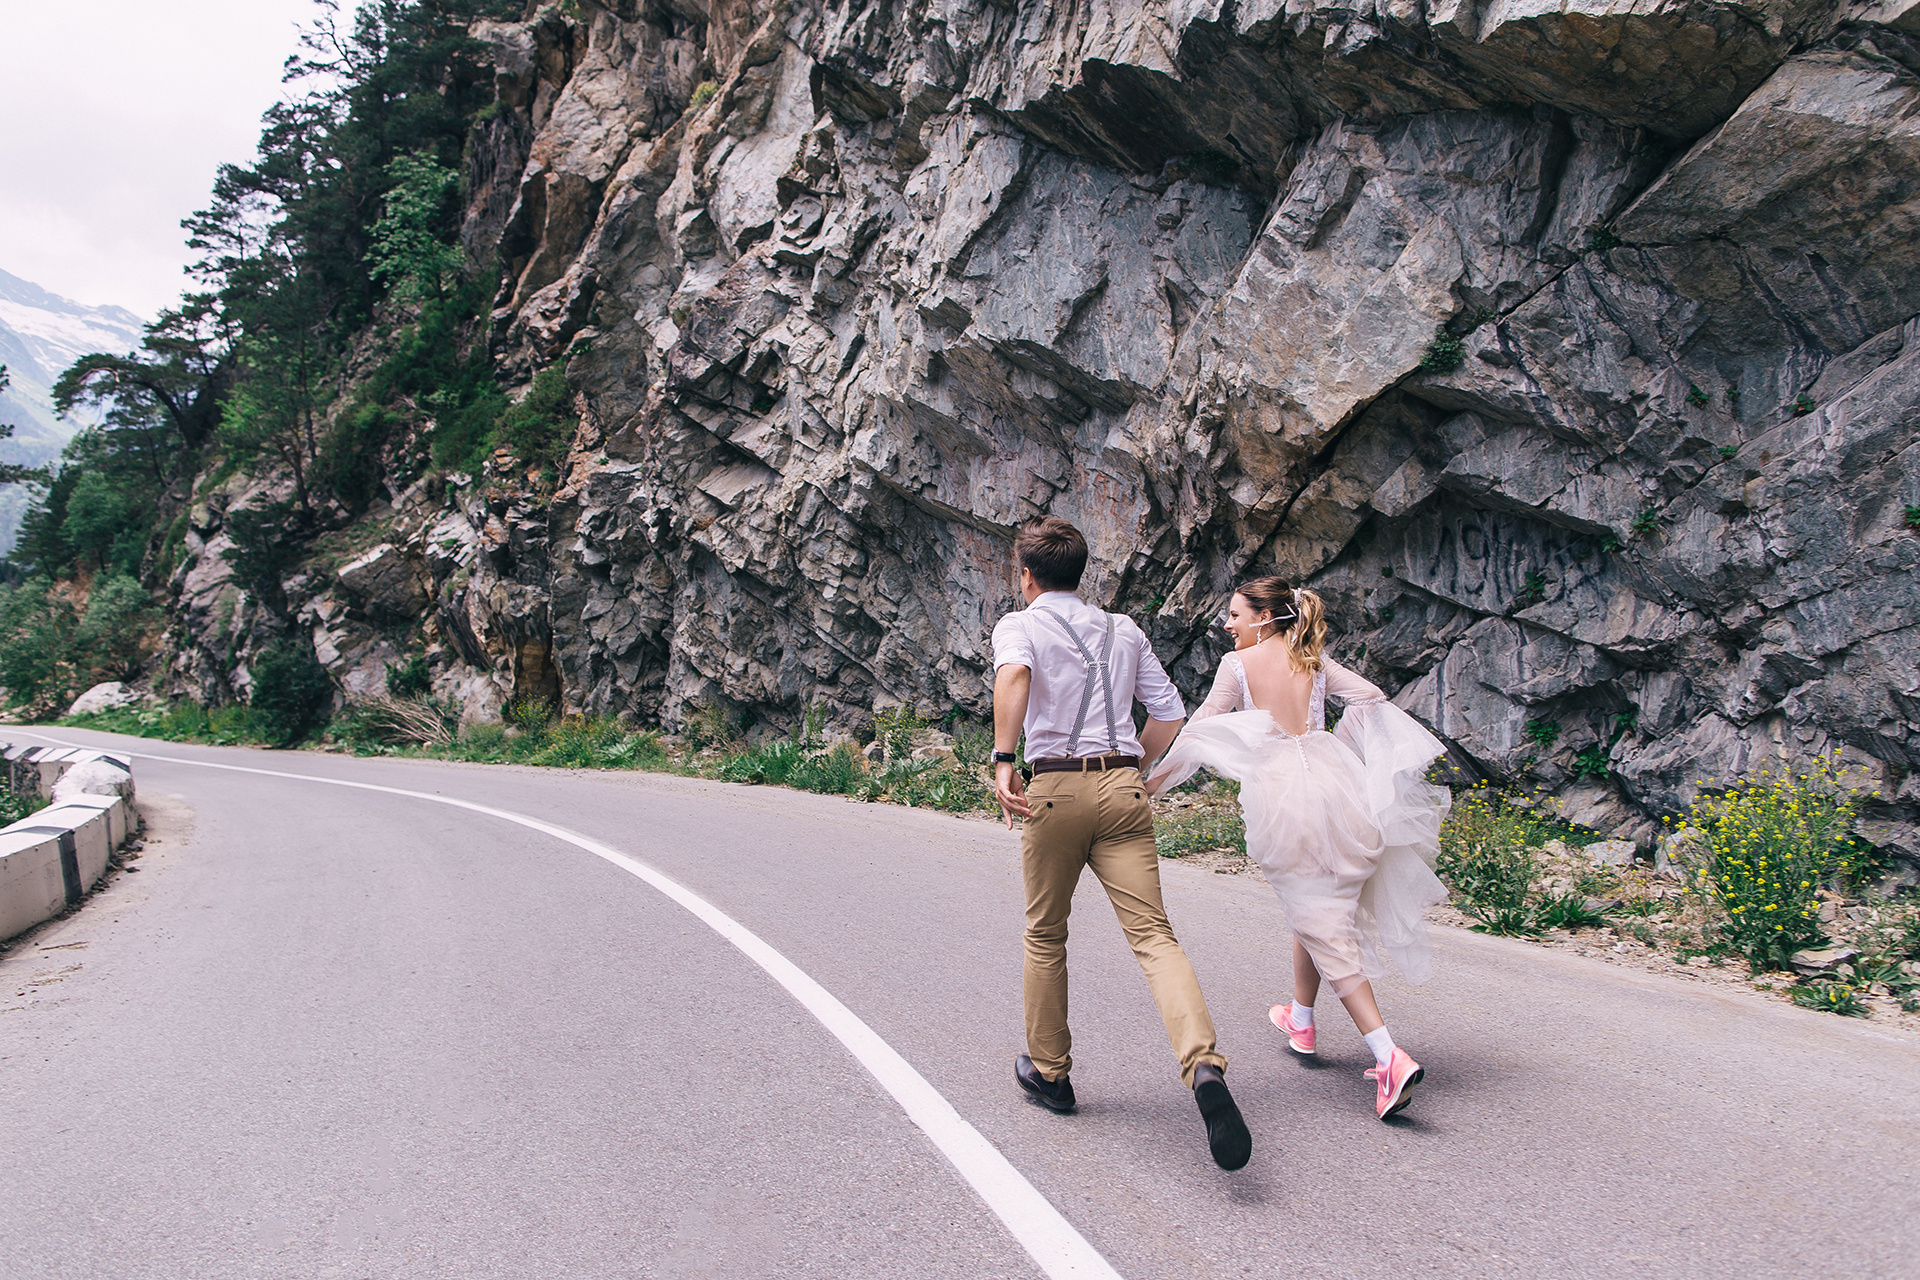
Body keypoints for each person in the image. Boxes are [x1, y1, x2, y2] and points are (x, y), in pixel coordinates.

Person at [990, 517, 1251, 1171]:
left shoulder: (1019, 625)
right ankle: (1204, 1066)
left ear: (1027, 576)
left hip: (1054, 790)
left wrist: (1003, 757)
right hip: (1124, 789)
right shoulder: (1123, 629)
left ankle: (1051, 1072)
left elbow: (1015, 677)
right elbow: (1169, 712)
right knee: (1156, 938)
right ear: (1081, 574)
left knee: (1045, 934)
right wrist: (1138, 770)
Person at [1147, 577, 1450, 1121]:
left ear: (1264, 617)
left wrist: (1154, 782)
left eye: (1236, 615)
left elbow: (1199, 728)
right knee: (1312, 907)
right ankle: (1301, 1020)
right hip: (1338, 787)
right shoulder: (1311, 657)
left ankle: (1389, 1057)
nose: (1227, 625)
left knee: (1321, 922)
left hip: (1284, 799)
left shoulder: (1237, 667)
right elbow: (1371, 697)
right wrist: (1339, 745)